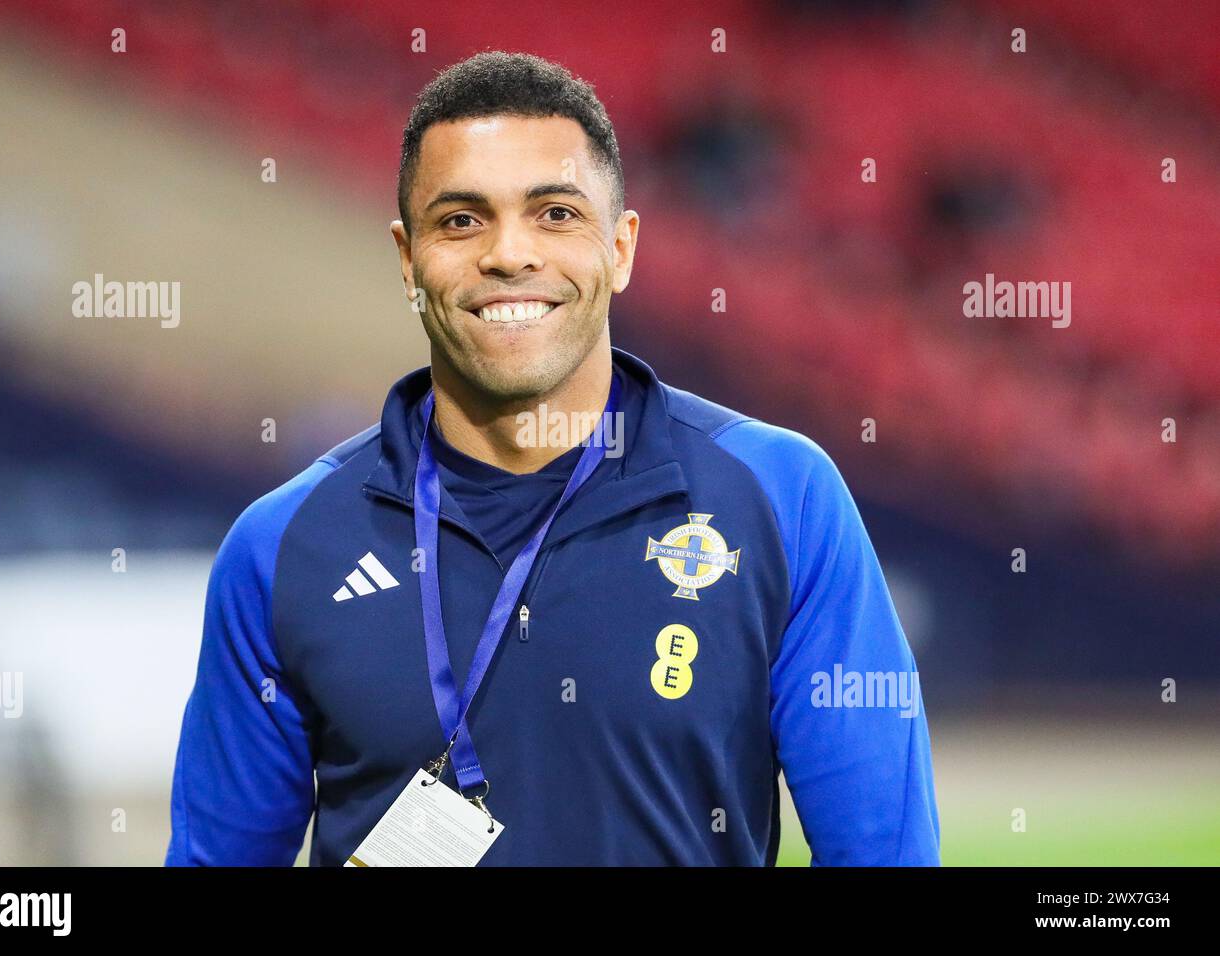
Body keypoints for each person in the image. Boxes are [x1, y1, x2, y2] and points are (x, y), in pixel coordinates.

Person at [165, 50, 939, 866]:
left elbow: (882, 852)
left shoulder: (782, 498)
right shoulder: (282, 545)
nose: (510, 254)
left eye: (556, 214)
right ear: (407, 259)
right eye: (461, 220)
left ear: (621, 248)